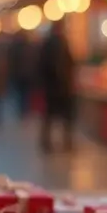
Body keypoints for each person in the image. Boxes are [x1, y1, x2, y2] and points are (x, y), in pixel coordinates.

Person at [37, 19, 75, 153]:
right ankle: (66, 142)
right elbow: (61, 66)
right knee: (65, 117)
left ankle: (47, 142)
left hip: (51, 87)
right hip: (60, 87)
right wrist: (65, 83)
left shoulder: (47, 43)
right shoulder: (60, 44)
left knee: (50, 116)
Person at [7, 31, 37, 120]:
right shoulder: (30, 48)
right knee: (24, 93)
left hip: (20, 75)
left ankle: (22, 109)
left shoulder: (15, 48)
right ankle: (24, 110)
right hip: (26, 74)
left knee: (21, 93)